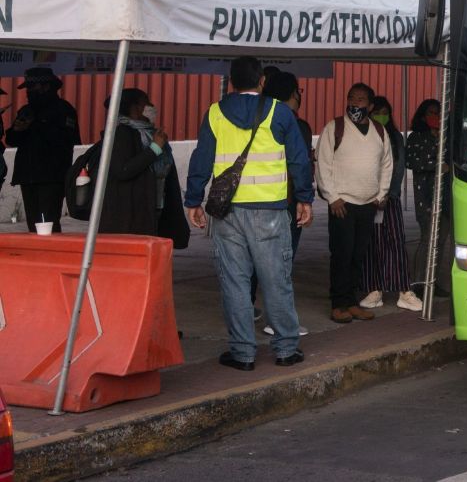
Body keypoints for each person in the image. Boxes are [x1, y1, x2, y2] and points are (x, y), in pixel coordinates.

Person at [185, 56, 312, 371]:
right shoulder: (279, 112)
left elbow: (201, 158)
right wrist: (305, 198)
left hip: (227, 212)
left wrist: (193, 200)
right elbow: (299, 159)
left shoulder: (215, 113)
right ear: (262, 81)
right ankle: (285, 349)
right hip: (269, 210)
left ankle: (242, 353)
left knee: (235, 282)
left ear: (230, 82)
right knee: (276, 281)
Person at [315, 83, 392, 324]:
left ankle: (351, 301)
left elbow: (387, 164)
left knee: (358, 255)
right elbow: (323, 163)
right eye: (351, 98)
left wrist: (381, 194)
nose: (355, 103)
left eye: (360, 99)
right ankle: (339, 304)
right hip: (342, 204)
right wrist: (332, 196)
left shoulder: (379, 131)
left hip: (369, 204)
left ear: (370, 106)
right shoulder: (334, 127)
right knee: (342, 255)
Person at [258, 71, 313, 337]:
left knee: (249, 262)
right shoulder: (292, 123)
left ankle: (249, 315)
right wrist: (305, 198)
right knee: (281, 262)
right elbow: (299, 164)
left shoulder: (256, 118)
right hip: (285, 201)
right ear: (293, 93)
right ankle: (278, 321)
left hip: (253, 199)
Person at [97, 88, 188, 247]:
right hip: (130, 209)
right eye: (146, 103)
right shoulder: (122, 133)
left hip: (153, 203)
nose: (151, 106)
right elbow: (123, 170)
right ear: (134, 107)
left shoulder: (147, 132)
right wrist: (155, 148)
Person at [359, 96, 422, 312]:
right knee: (371, 246)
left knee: (394, 244)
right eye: (377, 111)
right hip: (367, 199)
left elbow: (398, 168)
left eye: (384, 111)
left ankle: (403, 290)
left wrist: (386, 194)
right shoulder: (363, 136)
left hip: (389, 199)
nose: (381, 116)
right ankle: (374, 289)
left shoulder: (394, 137)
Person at [7, 68, 80, 232]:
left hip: (52, 176)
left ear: (46, 86)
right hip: (28, 175)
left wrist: (38, 124)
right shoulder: (27, 110)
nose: (28, 92)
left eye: (33, 87)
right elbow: (11, 140)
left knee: (49, 224)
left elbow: (67, 141)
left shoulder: (63, 109)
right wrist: (18, 130)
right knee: (33, 225)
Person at [406, 99, 453, 297]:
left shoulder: (446, 137)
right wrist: (436, 165)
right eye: (431, 113)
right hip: (425, 195)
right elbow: (412, 161)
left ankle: (432, 283)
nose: (435, 117)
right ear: (423, 116)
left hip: (446, 196)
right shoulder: (417, 137)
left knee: (441, 240)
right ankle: (418, 282)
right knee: (427, 239)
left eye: (438, 113)